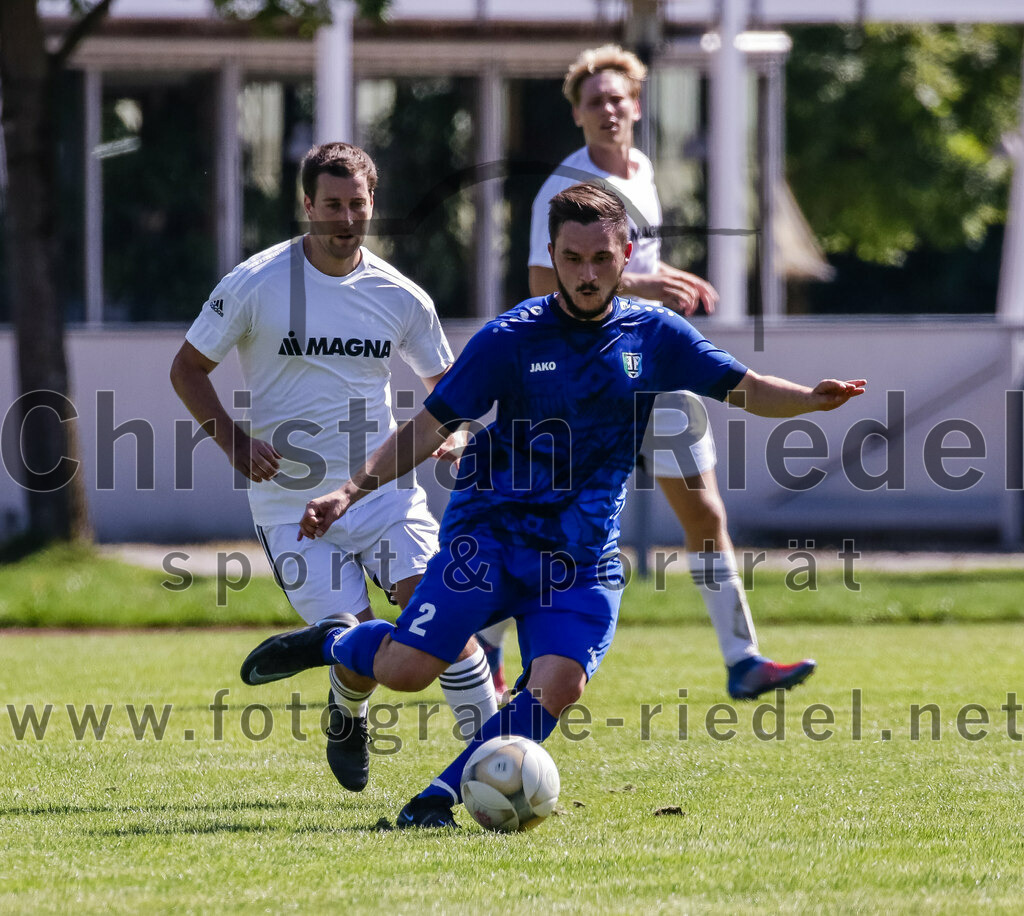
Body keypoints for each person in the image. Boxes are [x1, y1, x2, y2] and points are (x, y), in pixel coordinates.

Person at [239, 183, 866, 828]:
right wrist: (350, 490)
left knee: (559, 685)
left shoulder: (655, 336)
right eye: (572, 259)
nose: (587, 274)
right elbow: (428, 425)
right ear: (552, 256)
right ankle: (340, 642)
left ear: (626, 253)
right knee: (406, 671)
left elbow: (747, 388)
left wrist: (810, 400)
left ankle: (437, 799)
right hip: (488, 537)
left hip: (580, 555)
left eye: (600, 258)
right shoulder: (510, 338)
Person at [475, 44, 814, 702]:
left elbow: (623, 278)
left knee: (704, 511)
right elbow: (544, 283)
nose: (608, 109)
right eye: (595, 100)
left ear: (636, 104)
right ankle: (484, 646)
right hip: (583, 378)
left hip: (648, 365)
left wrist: (646, 293)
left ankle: (743, 659)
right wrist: (649, 283)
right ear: (576, 112)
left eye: (618, 98)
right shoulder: (565, 189)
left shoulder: (642, 169)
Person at [170, 142, 496, 793]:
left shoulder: (399, 296)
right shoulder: (256, 282)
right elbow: (187, 370)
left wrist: (455, 434)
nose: (345, 219)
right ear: (307, 206)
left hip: (382, 492)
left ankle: (498, 760)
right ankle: (347, 715)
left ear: (372, 205)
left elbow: (449, 389)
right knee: (356, 642)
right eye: (331, 206)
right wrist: (234, 442)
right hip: (289, 504)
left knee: (441, 618)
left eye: (357, 205)